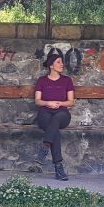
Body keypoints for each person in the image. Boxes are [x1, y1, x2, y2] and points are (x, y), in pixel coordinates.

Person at [35, 52, 75, 180]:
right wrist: (48, 103)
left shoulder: (67, 81)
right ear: (51, 65)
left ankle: (46, 145)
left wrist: (59, 104)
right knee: (54, 131)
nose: (62, 64)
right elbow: (37, 101)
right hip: (45, 113)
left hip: (62, 114)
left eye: (61, 62)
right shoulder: (41, 81)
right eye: (58, 62)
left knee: (57, 119)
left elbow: (71, 102)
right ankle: (59, 169)